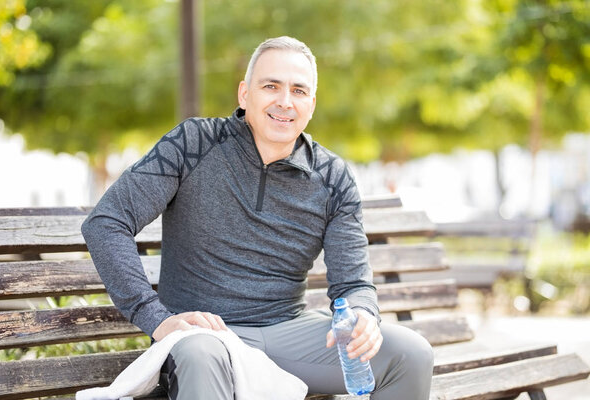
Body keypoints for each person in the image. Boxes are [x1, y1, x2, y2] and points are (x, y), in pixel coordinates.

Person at [81, 36, 433, 400]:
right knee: (202, 354)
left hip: (289, 334)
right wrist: (155, 318)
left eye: (299, 90)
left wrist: (363, 315)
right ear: (244, 94)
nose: (285, 101)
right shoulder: (193, 143)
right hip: (206, 336)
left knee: (411, 354)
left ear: (311, 104)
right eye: (271, 86)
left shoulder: (333, 177)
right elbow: (106, 222)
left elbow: (354, 283)